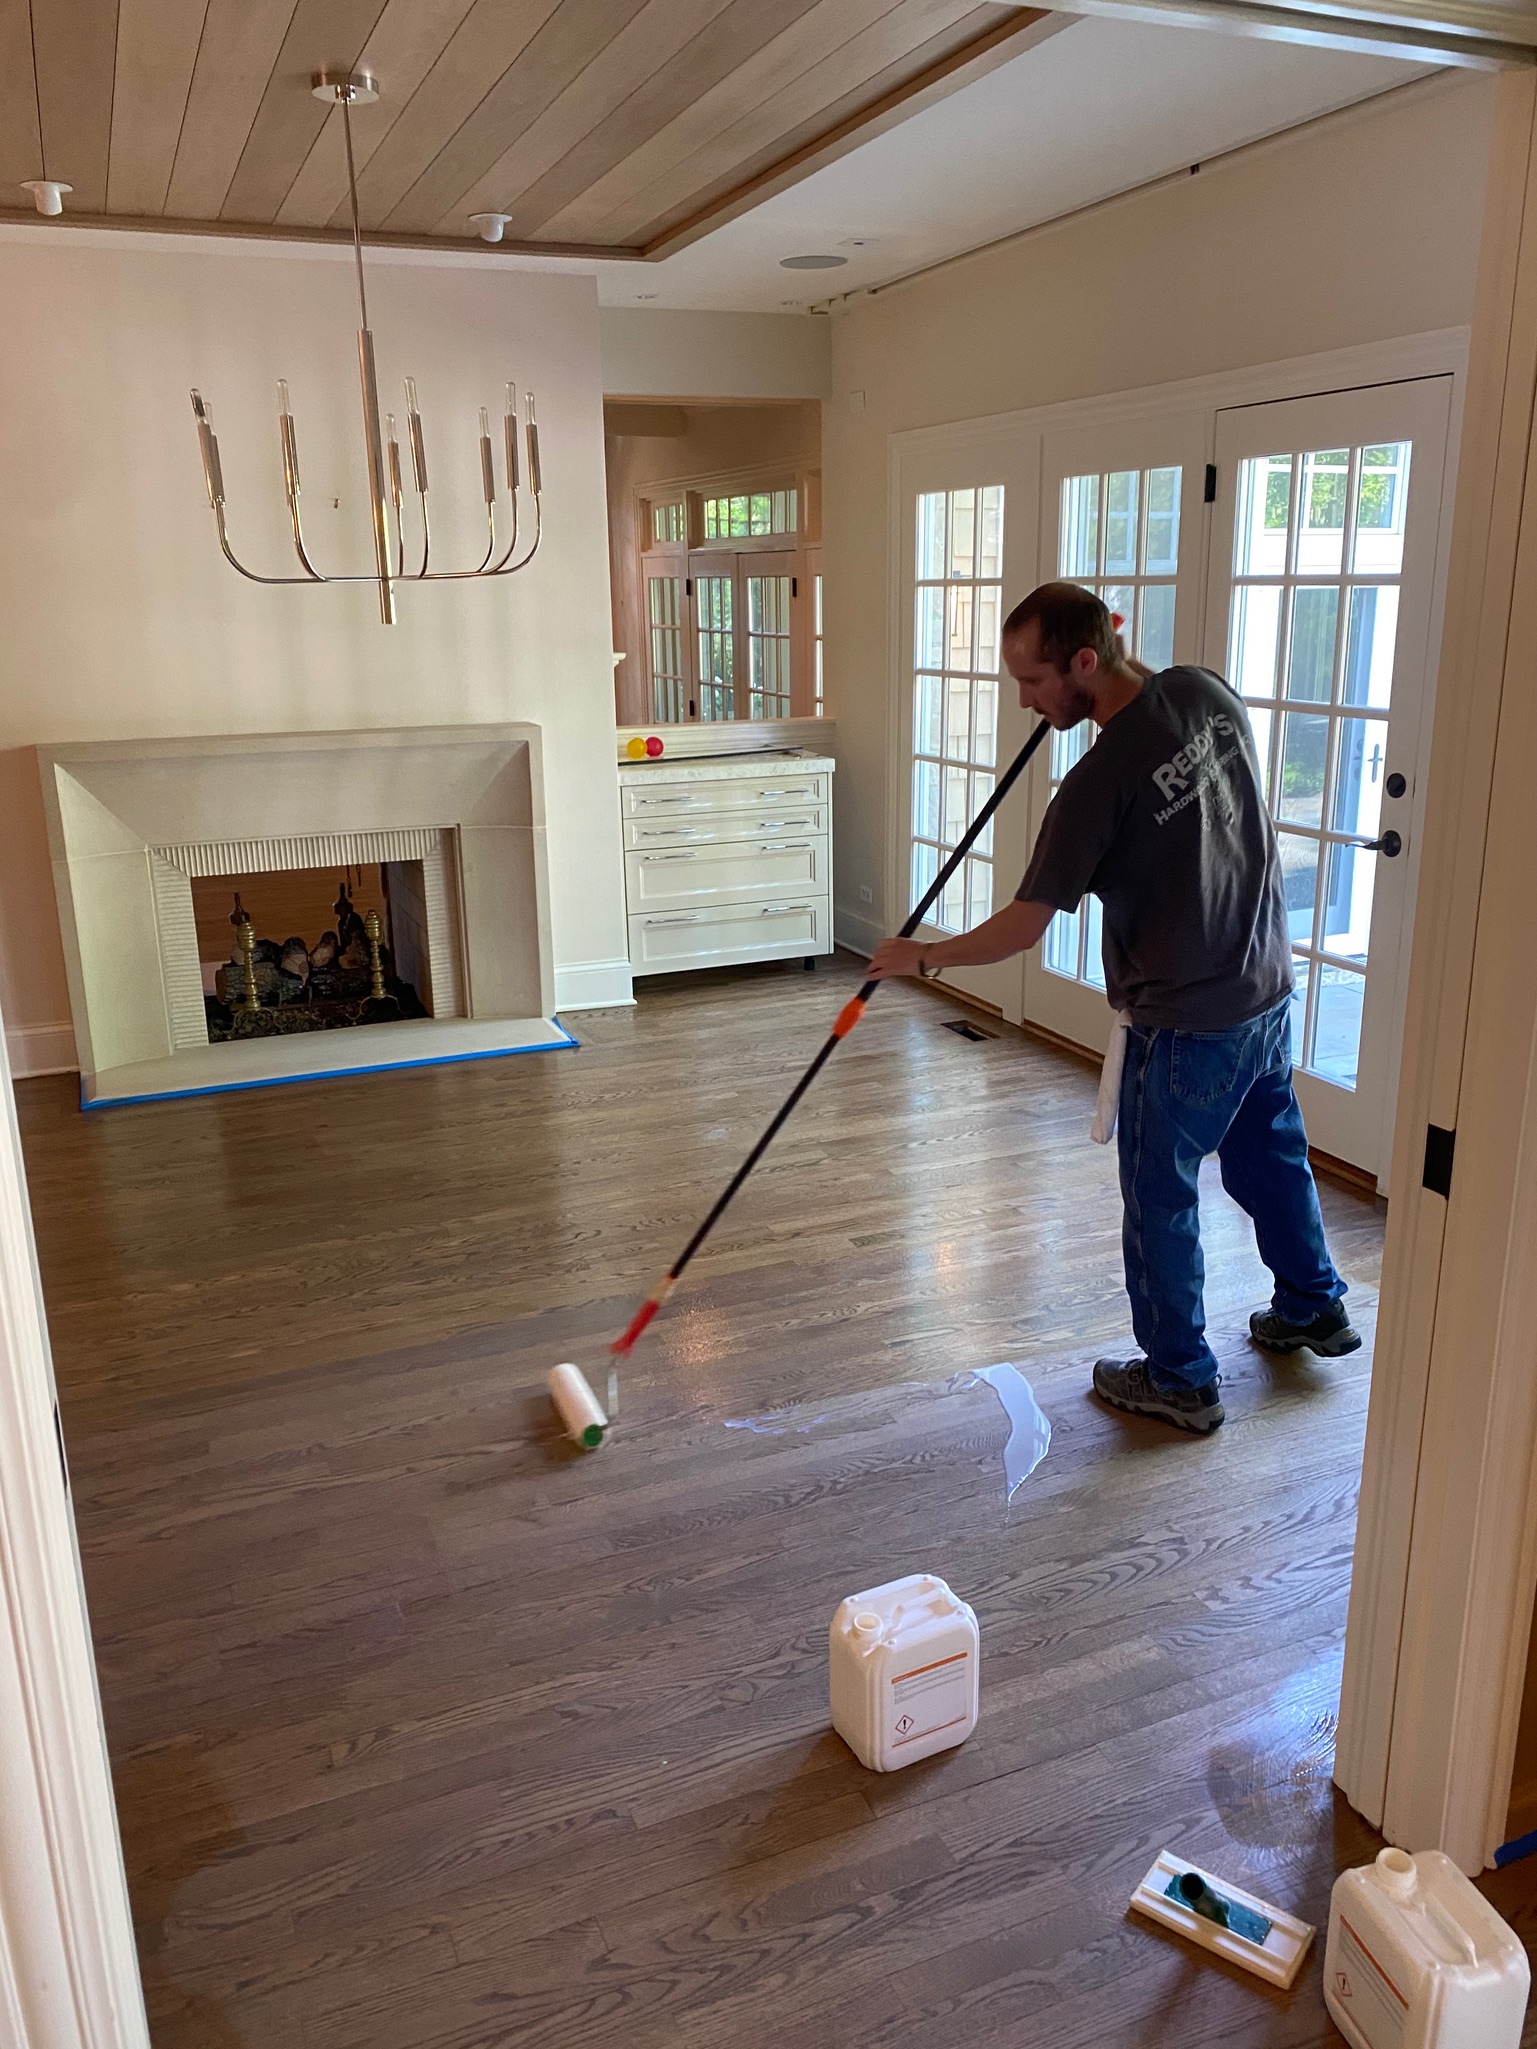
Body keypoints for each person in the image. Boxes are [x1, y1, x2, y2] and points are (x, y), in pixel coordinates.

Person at [868, 581, 1358, 1435]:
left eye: (1032, 681)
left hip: (1181, 1024)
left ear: (1085, 661)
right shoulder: (1204, 692)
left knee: (1159, 1198)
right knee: (1269, 1160)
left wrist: (921, 955)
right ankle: (1313, 1305)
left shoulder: (1094, 786)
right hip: (1265, 992)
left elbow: (1024, 927)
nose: (1023, 699)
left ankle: (1178, 1377)